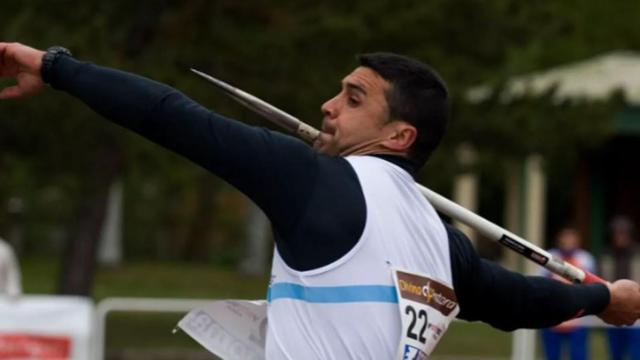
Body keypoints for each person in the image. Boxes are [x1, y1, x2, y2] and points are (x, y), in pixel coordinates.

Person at [1, 43, 639, 359]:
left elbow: (170, 116)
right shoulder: (442, 244)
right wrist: (602, 298)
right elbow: (521, 301)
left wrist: (56, 67)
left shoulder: (313, 181)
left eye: (354, 98)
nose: (328, 108)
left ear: (400, 135)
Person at [540, 228, 596, 360]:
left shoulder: (586, 259)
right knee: (551, 354)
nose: (568, 241)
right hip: (552, 313)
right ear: (559, 239)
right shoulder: (549, 255)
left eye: (572, 238)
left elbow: (591, 285)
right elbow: (541, 281)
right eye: (565, 237)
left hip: (578, 316)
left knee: (578, 354)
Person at [601, 216, 640, 360]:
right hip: (614, 307)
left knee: (637, 353)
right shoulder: (607, 255)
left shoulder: (637, 254)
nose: (619, 237)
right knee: (615, 353)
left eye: (623, 233)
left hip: (637, 309)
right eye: (616, 233)